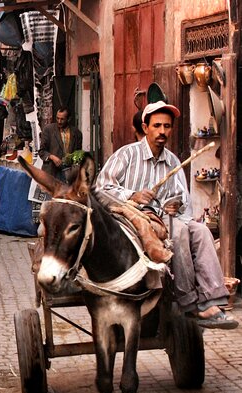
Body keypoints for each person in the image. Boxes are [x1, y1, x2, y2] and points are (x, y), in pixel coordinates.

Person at [95, 101, 237, 329]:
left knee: (200, 231)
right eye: (157, 125)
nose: (162, 131)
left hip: (164, 218)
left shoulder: (172, 160)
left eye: (167, 126)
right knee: (179, 231)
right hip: (132, 218)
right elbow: (101, 189)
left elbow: (182, 201)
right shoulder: (127, 155)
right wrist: (133, 195)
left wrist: (175, 204)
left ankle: (212, 299)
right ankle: (189, 302)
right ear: (145, 127)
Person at [38, 108, 83, 181]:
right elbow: (41, 151)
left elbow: (78, 153)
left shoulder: (77, 133)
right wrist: (52, 157)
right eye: (57, 118)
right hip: (51, 172)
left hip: (69, 173)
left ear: (69, 119)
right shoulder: (48, 130)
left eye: (62, 119)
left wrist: (74, 159)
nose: (59, 121)